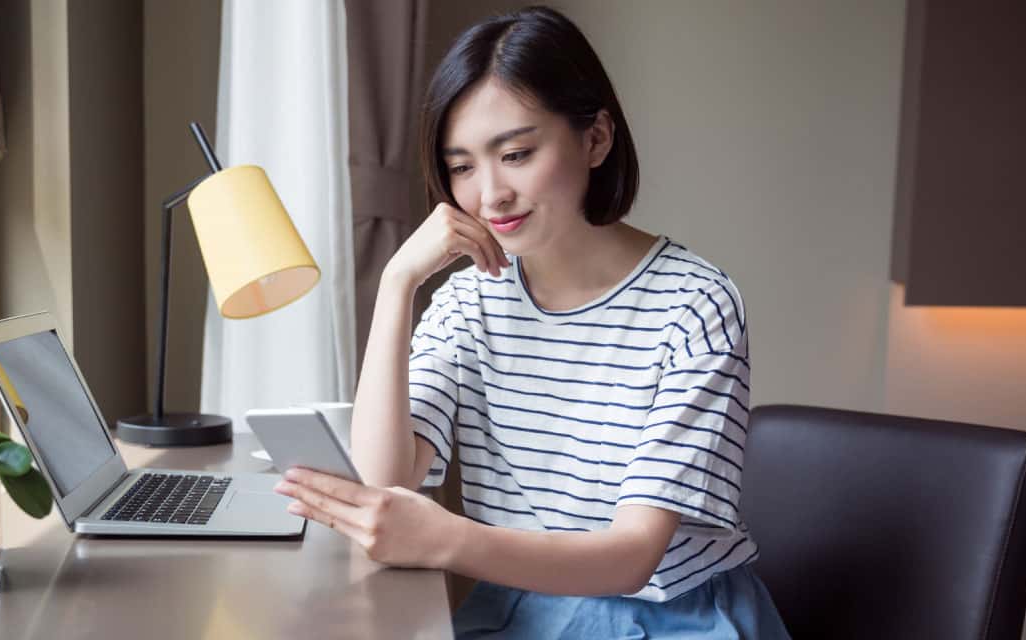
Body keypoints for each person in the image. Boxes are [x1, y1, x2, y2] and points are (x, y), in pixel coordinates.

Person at [274, 5, 789, 638]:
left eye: (515, 153)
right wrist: (397, 284)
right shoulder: (468, 303)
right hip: (517, 612)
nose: (490, 195)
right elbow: (386, 482)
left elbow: (632, 558)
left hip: (675, 621)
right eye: (462, 167)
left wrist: (448, 540)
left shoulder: (694, 304)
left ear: (595, 139)